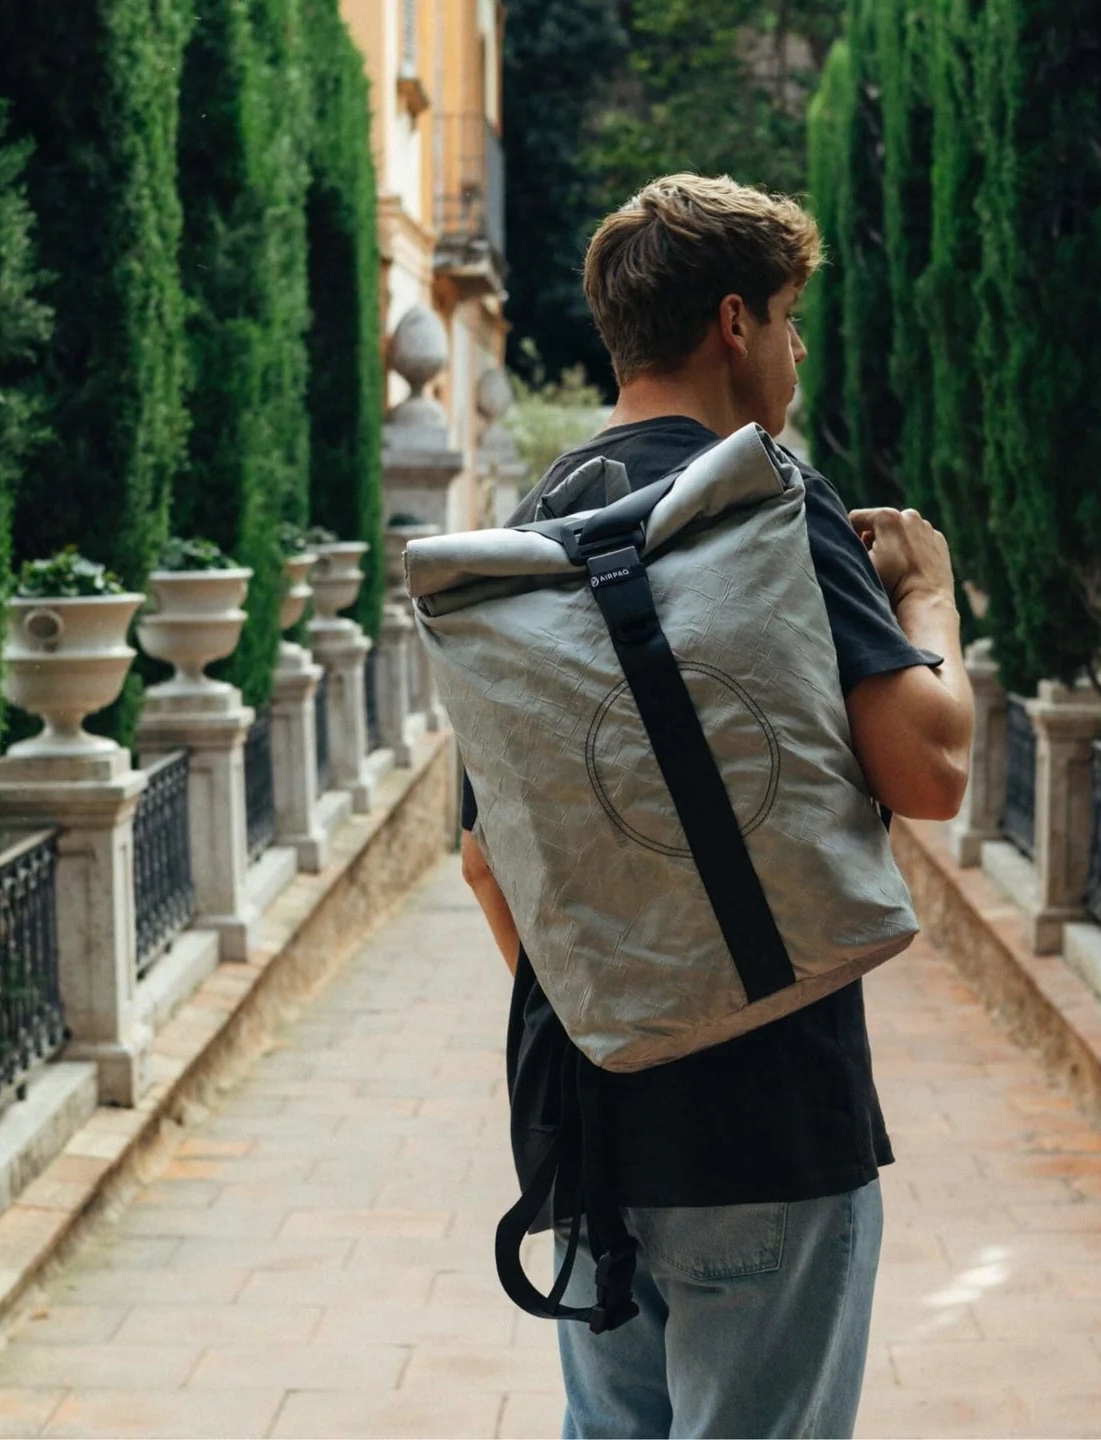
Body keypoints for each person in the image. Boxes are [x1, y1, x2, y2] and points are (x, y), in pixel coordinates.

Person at [460, 173, 974, 1439]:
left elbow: (484, 859)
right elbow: (931, 773)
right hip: (771, 1124)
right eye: (793, 319)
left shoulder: (520, 540)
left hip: (586, 1130)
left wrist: (623, 1019)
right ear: (735, 323)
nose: (797, 350)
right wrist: (930, 598)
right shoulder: (768, 510)